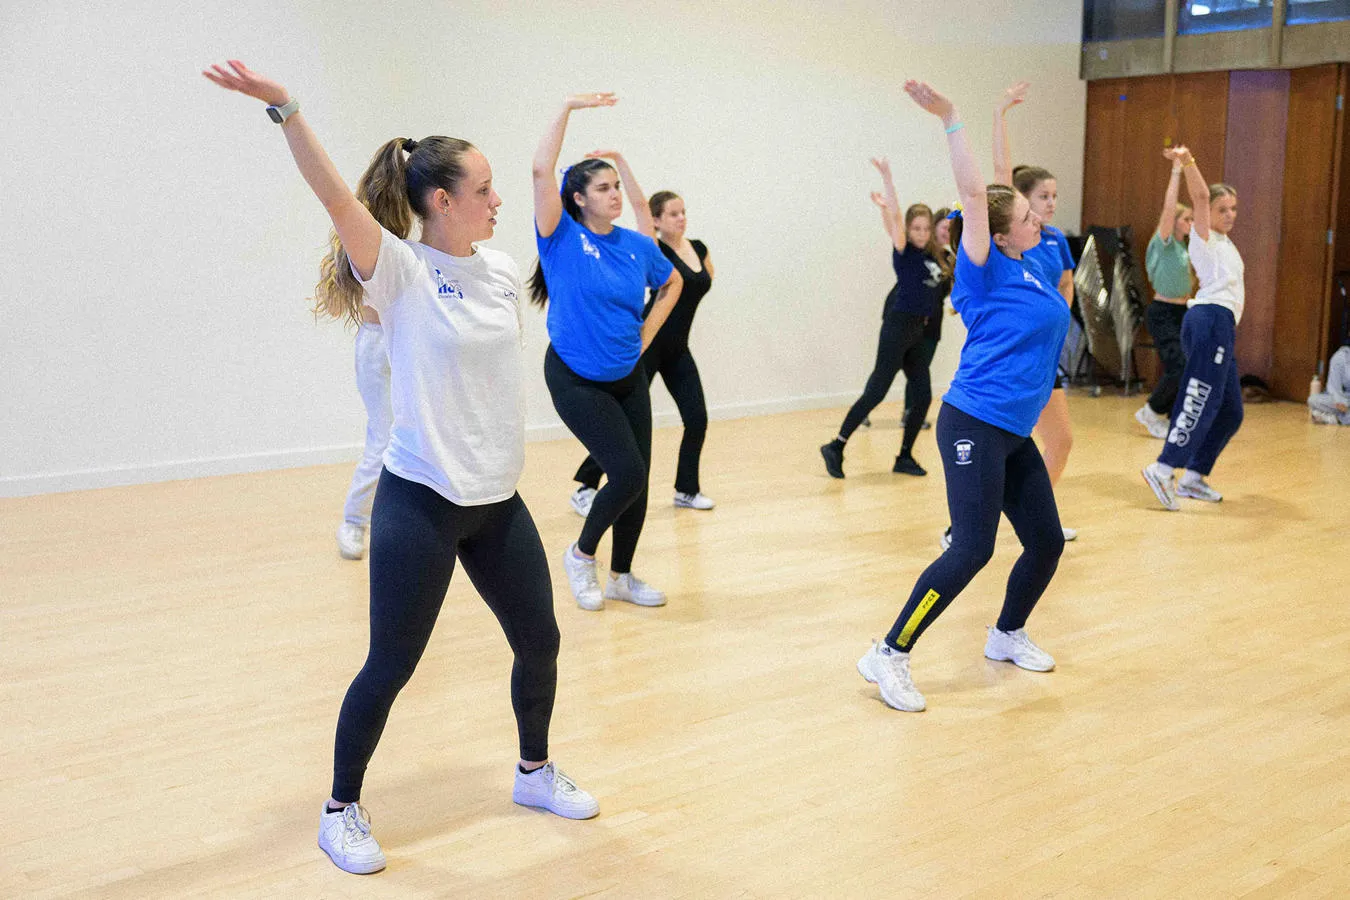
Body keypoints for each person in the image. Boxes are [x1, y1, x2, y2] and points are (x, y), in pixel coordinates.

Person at [204, 60, 599, 876]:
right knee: (392, 664)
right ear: (441, 201)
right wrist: (285, 107)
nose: (497, 201)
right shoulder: (401, 270)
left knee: (541, 640)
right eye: (483, 190)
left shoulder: (496, 270)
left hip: (497, 500)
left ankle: (533, 772)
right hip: (421, 500)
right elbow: (334, 198)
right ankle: (339, 810)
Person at [857, 81, 1070, 713]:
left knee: (1046, 541)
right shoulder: (984, 268)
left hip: (1012, 431)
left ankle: (1006, 633)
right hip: (973, 421)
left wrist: (1003, 121)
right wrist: (952, 117)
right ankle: (889, 651)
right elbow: (979, 195)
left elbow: (1001, 189)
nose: (1038, 219)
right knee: (973, 547)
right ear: (998, 235)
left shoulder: (1033, 263)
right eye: (1027, 217)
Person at [530, 94, 684, 611]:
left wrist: (645, 337)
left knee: (638, 480)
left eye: (616, 186)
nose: (614, 194)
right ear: (578, 198)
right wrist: (566, 107)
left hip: (627, 375)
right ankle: (580, 555)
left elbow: (672, 283)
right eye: (603, 187)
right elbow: (540, 169)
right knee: (628, 473)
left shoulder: (637, 246)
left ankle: (621, 575)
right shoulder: (560, 236)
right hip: (575, 377)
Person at [571, 190, 717, 514]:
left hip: (678, 349)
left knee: (697, 419)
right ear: (656, 221)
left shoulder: (700, 249)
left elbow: (703, 281)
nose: (681, 218)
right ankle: (586, 487)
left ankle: (686, 490)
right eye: (673, 214)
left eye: (683, 212)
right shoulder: (654, 249)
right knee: (624, 424)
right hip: (647, 346)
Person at [820, 158, 946, 478]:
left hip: (918, 332)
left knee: (923, 397)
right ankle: (836, 446)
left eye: (925, 228)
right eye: (916, 228)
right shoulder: (904, 251)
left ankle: (904, 456)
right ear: (908, 230)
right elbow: (895, 216)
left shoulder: (933, 255)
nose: (921, 233)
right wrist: (887, 178)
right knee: (876, 391)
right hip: (898, 328)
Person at [994, 82, 1078, 543]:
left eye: (1054, 196)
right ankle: (964, 526)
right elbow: (999, 181)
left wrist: (1060, 316)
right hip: (1016, 357)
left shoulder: (1056, 239)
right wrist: (1001, 115)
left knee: (1060, 442)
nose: (1051, 204)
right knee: (1005, 447)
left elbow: (1065, 282)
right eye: (1043, 197)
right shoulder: (1013, 239)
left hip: (1047, 356)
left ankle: (1038, 518)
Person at [1141, 149, 1244, 509]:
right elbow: (1199, 195)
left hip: (1222, 325)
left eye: (1233, 208)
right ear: (1207, 214)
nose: (1229, 215)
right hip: (1209, 320)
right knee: (1200, 397)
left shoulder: (1226, 243)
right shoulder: (1203, 237)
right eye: (1222, 209)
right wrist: (1187, 163)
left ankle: (1194, 476)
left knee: (1230, 410)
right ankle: (1162, 468)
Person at [1136, 148, 1196, 440]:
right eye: (1187, 219)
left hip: (1183, 312)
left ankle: (1175, 418)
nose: (1190, 224)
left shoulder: (1185, 248)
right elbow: (1169, 208)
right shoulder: (1164, 243)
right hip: (1163, 313)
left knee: (1188, 366)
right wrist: (1177, 170)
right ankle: (1150, 411)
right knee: (1178, 365)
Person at [335, 319, 392, 560]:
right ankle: (354, 522)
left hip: (417, 338)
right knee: (385, 440)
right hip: (378, 341)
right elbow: (336, 305)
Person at [1309, 339, 1350, 425]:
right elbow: (1334, 387)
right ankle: (1343, 417)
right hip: (1344, 399)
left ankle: (1336, 419)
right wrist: (1342, 403)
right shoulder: (1340, 357)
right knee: (1313, 400)